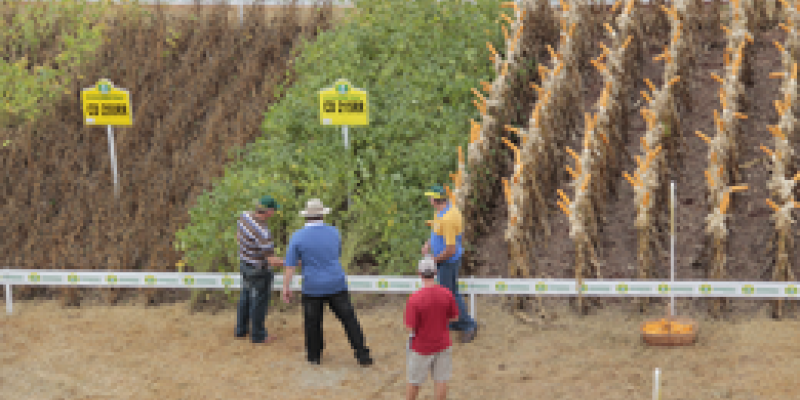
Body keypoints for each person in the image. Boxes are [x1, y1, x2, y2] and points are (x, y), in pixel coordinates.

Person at [280, 198, 373, 366]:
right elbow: (335, 255)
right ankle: (363, 355)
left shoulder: (297, 236)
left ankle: (314, 357)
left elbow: (290, 265)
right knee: (349, 320)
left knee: (312, 323)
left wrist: (286, 287)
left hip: (312, 286)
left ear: (306, 216)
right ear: (322, 214)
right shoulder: (334, 232)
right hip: (336, 283)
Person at [421, 185, 478, 343]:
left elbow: (451, 249)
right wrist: (428, 244)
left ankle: (468, 325)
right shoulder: (442, 211)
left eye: (430, 197)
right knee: (450, 293)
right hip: (443, 260)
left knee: (451, 294)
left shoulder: (449, 218)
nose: (428, 200)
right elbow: (436, 231)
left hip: (447, 262)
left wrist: (433, 260)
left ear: (434, 199)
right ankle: (460, 322)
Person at [405, 256, 459, 400]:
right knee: (441, 381)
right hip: (443, 344)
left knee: (414, 382)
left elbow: (410, 327)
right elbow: (454, 318)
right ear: (435, 272)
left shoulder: (414, 298)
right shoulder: (447, 294)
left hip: (421, 347)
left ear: (419, 273)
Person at [234, 195, 285, 344]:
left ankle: (241, 330)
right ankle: (258, 335)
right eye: (273, 210)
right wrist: (293, 262)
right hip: (259, 270)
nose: (274, 213)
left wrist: (247, 250)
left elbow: (238, 237)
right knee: (259, 302)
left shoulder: (244, 216)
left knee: (245, 297)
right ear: (268, 211)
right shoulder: (263, 232)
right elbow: (272, 261)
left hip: (245, 264)